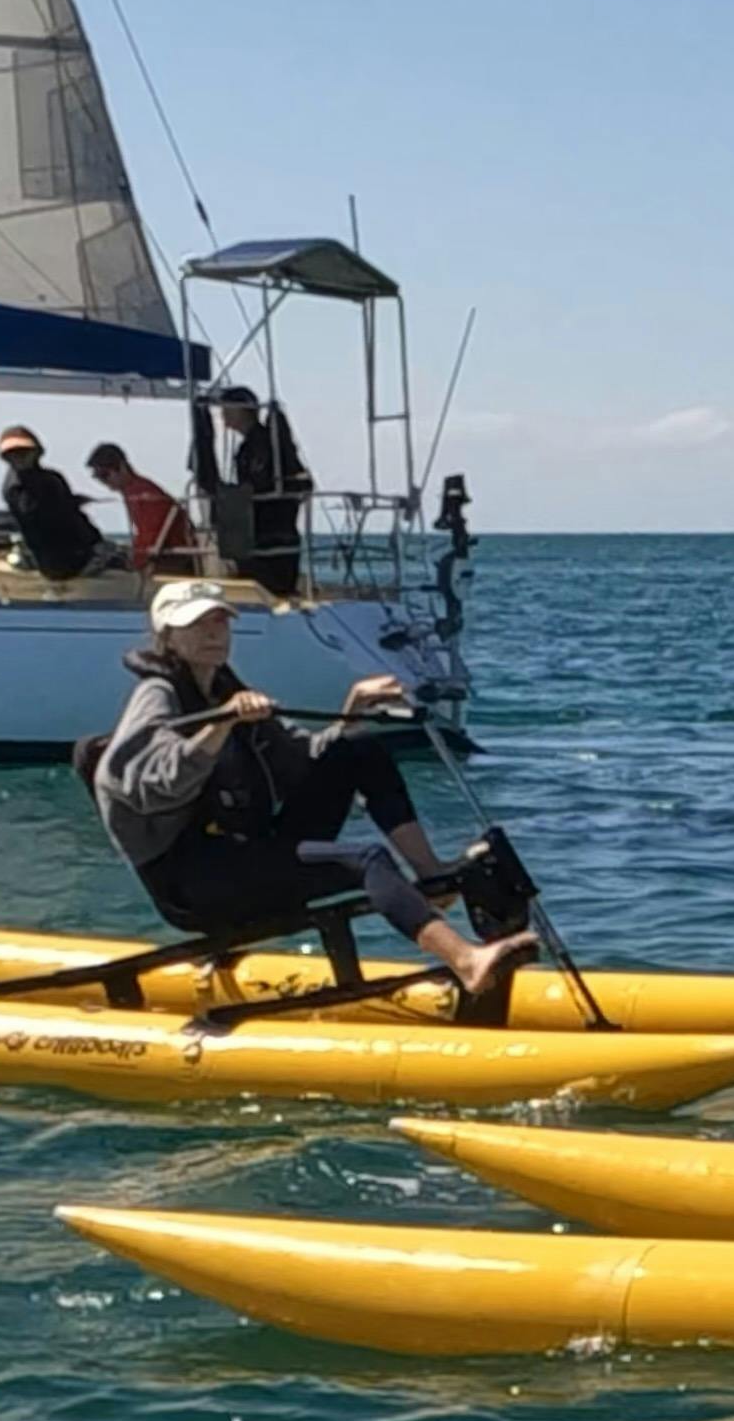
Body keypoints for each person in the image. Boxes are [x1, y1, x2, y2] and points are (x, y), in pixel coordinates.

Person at [88, 576, 538, 1001]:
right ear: (167, 637)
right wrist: (221, 725)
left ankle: (431, 875)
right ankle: (465, 959)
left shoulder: (228, 690)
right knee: (365, 859)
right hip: (195, 882)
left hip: (248, 852)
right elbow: (143, 783)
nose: (213, 633)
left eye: (220, 620)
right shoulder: (158, 695)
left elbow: (305, 759)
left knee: (357, 748)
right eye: (197, 625)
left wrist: (353, 709)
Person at [191, 383, 310, 596]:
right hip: (260, 530)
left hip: (268, 530)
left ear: (241, 409)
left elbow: (265, 483)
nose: (222, 414)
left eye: (226, 408)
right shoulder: (248, 447)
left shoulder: (261, 445)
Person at [0, 427, 104, 582]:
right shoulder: (16, 489)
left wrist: (72, 502)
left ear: (36, 453)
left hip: (78, 549)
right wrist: (68, 505)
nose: (19, 458)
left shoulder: (52, 478)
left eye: (24, 452)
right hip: (63, 561)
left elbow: (65, 513)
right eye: (12, 455)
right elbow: (42, 520)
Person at [85, 440, 187, 573]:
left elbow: (152, 537)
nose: (103, 483)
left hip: (168, 560)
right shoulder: (132, 491)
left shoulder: (144, 494)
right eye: (97, 477)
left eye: (104, 475)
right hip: (159, 556)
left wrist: (133, 562)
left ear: (122, 467)